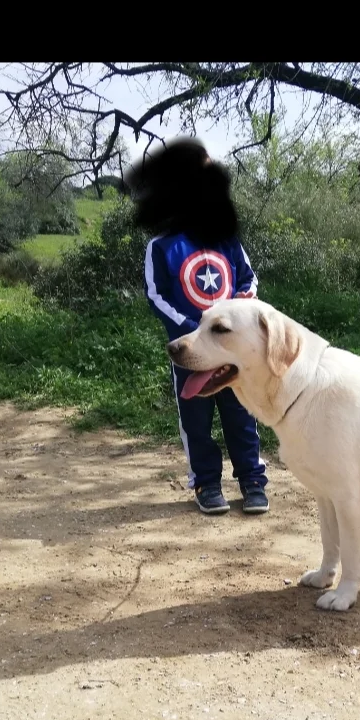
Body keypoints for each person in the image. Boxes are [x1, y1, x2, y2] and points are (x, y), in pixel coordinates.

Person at [124, 138, 269, 516]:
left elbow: (248, 281)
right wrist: (195, 333)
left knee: (241, 412)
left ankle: (252, 479)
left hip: (233, 352)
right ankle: (206, 482)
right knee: (196, 418)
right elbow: (157, 296)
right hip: (190, 350)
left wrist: (233, 326)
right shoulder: (161, 245)